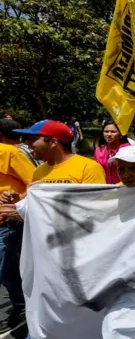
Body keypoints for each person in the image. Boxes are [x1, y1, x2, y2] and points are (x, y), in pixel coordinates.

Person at [0, 121, 37, 333]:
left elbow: (35, 182)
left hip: (8, 221)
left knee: (3, 268)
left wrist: (17, 204)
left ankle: (23, 304)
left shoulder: (9, 153)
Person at [94, 120, 130, 184]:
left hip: (124, 187)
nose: (109, 134)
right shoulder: (98, 150)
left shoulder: (127, 148)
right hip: (104, 188)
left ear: (120, 133)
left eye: (113, 132)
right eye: (106, 131)